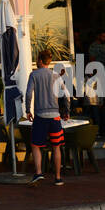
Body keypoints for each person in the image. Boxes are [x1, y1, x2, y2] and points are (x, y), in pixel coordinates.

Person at [25, 51, 69, 185]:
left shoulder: (34, 75)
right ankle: (58, 177)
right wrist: (66, 111)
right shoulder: (56, 76)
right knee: (56, 146)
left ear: (39, 60)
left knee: (35, 145)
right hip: (55, 116)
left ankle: (38, 172)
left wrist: (28, 110)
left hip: (40, 116)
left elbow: (28, 94)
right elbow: (66, 95)